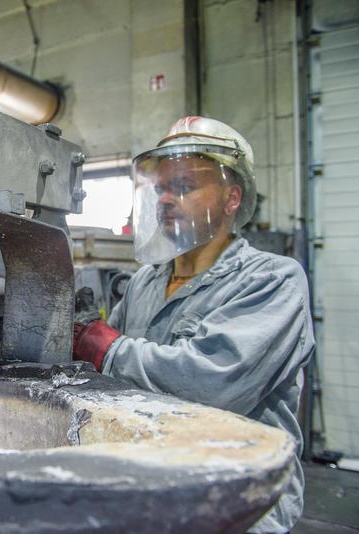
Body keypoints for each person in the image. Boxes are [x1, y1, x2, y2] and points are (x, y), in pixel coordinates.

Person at [73, 116, 314, 533]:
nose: (166, 199)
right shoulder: (146, 281)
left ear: (231, 197)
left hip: (238, 503)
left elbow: (213, 386)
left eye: (184, 187)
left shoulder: (272, 280)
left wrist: (105, 347)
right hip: (151, 490)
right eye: (161, 187)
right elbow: (109, 385)